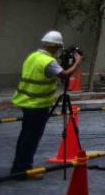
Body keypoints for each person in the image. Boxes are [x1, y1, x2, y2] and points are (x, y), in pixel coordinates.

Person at [11, 30, 82, 175]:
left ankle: (19, 166)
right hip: (38, 105)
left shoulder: (33, 56)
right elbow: (65, 74)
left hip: (26, 102)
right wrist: (78, 62)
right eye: (58, 47)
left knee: (25, 135)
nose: (58, 51)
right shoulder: (48, 62)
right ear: (54, 46)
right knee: (31, 137)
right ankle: (23, 169)